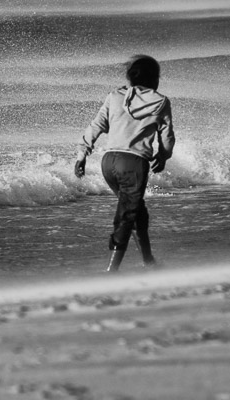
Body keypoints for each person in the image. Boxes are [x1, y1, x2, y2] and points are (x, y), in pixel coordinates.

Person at [74, 55, 175, 272]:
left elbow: (96, 125)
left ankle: (149, 261)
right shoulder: (161, 102)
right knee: (127, 215)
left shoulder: (115, 96)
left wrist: (82, 154)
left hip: (108, 162)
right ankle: (112, 271)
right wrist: (163, 156)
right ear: (155, 79)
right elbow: (167, 136)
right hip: (134, 164)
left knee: (137, 212)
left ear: (129, 78)